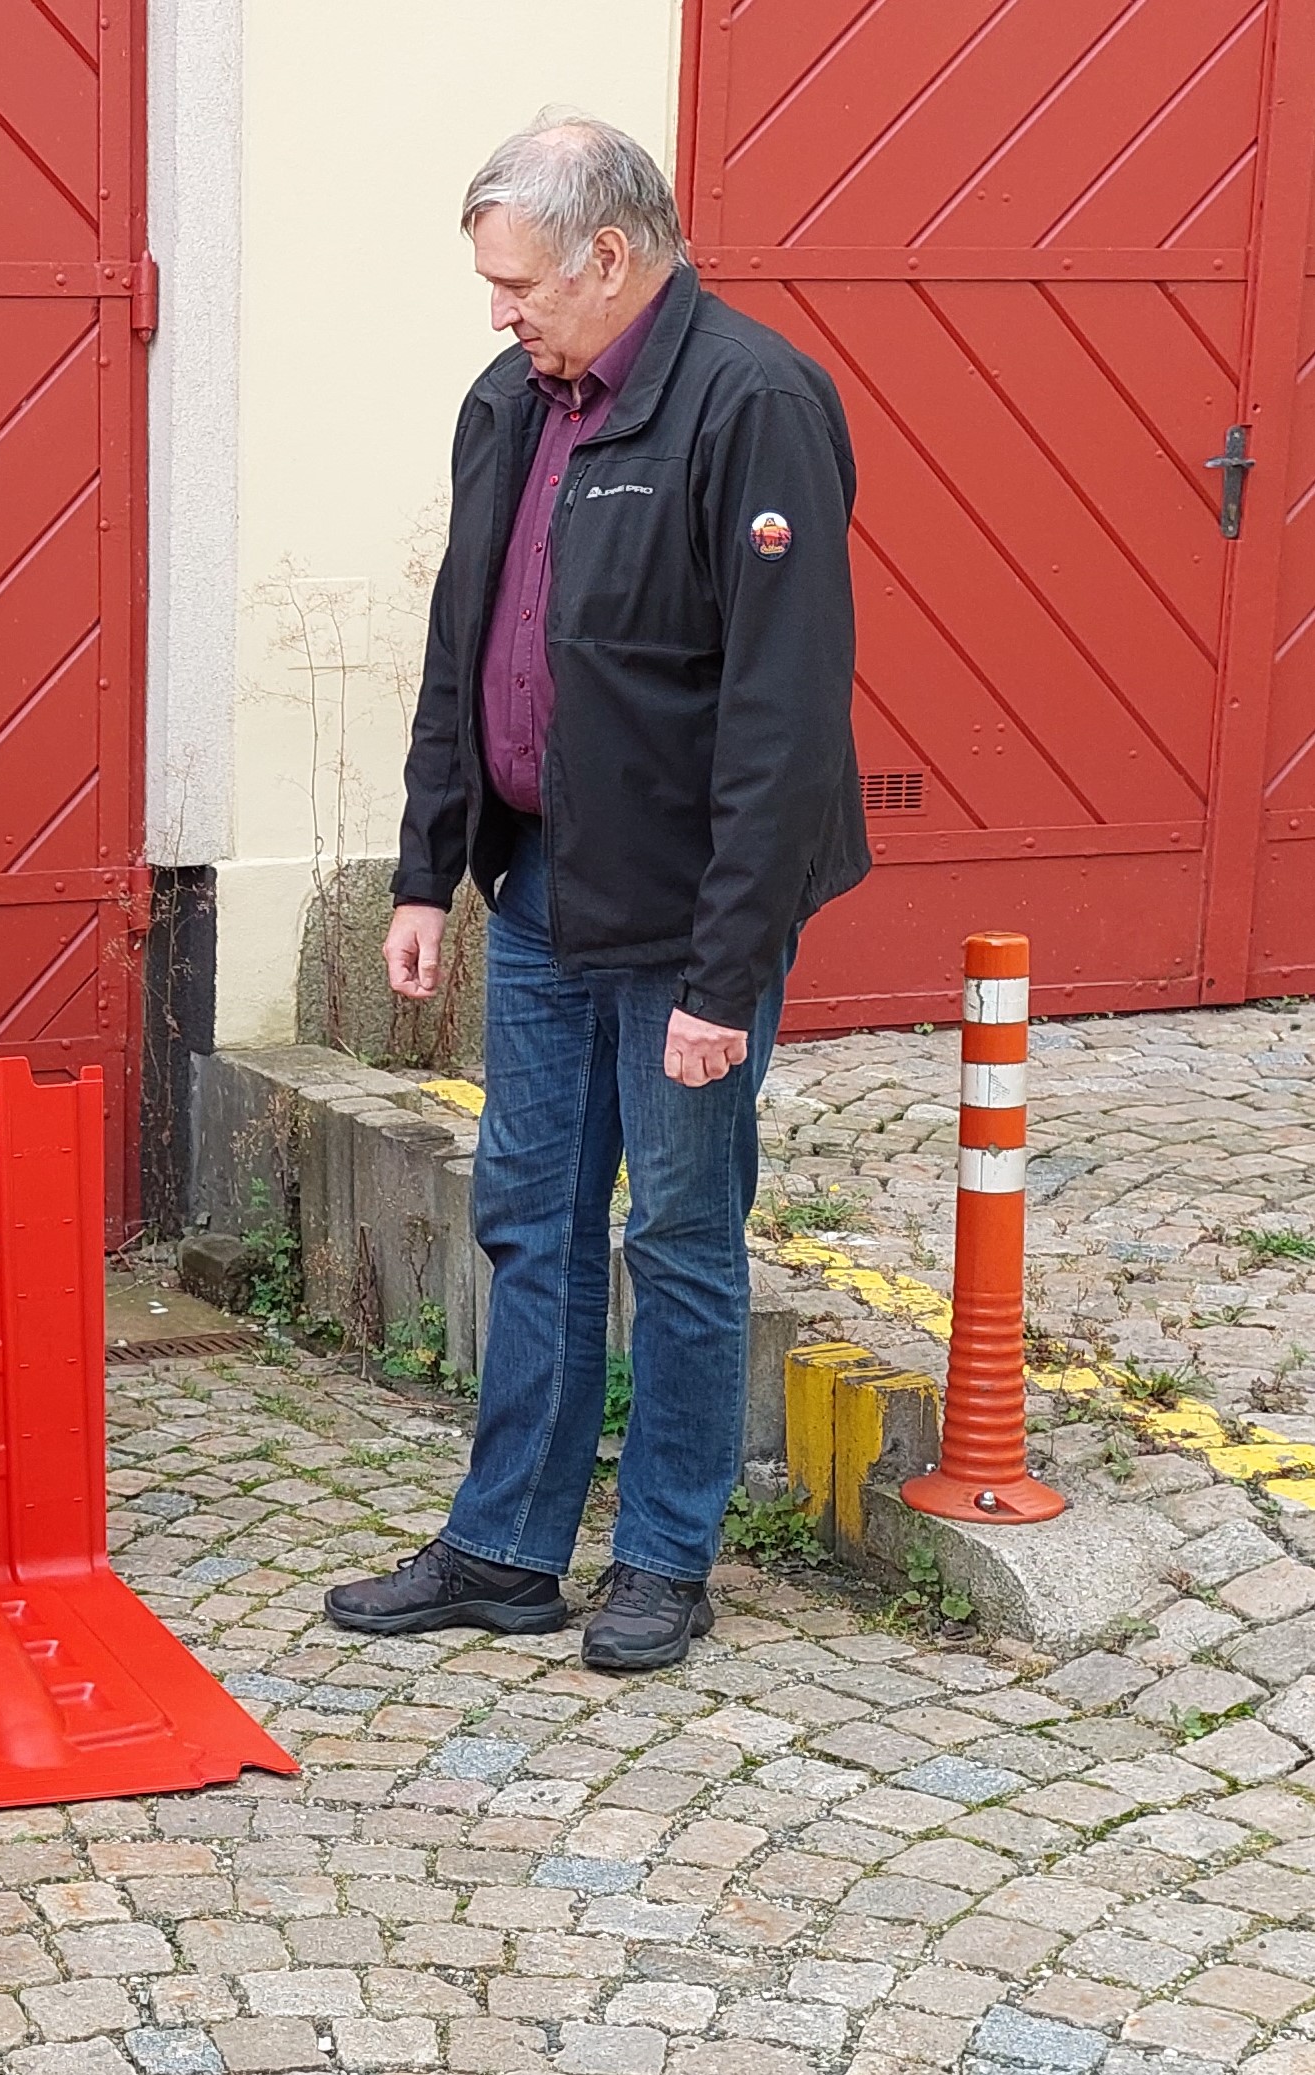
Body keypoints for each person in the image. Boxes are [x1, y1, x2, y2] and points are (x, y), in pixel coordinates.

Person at [326, 113, 867, 1672]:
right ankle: (504, 1544)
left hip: (690, 909)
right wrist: (429, 867)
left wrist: (723, 975)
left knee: (682, 1231)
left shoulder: (751, 401)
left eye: (518, 283)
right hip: (546, 887)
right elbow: (462, 642)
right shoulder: (508, 401)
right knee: (529, 1220)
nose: (498, 312)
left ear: (611, 257)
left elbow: (780, 715)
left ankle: (662, 1557)